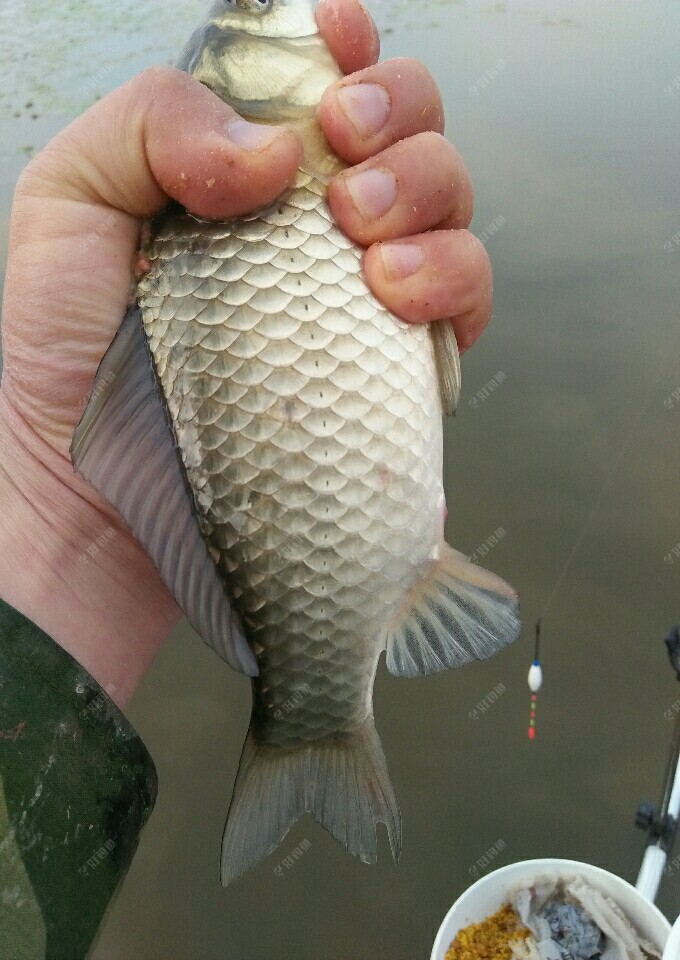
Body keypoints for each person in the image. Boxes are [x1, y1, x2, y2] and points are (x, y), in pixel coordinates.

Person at [0, 0, 493, 955]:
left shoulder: (304, 144)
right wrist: (48, 495)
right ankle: (315, 724)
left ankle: (316, 711)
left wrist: (53, 525)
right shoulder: (204, 159)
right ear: (221, 65)